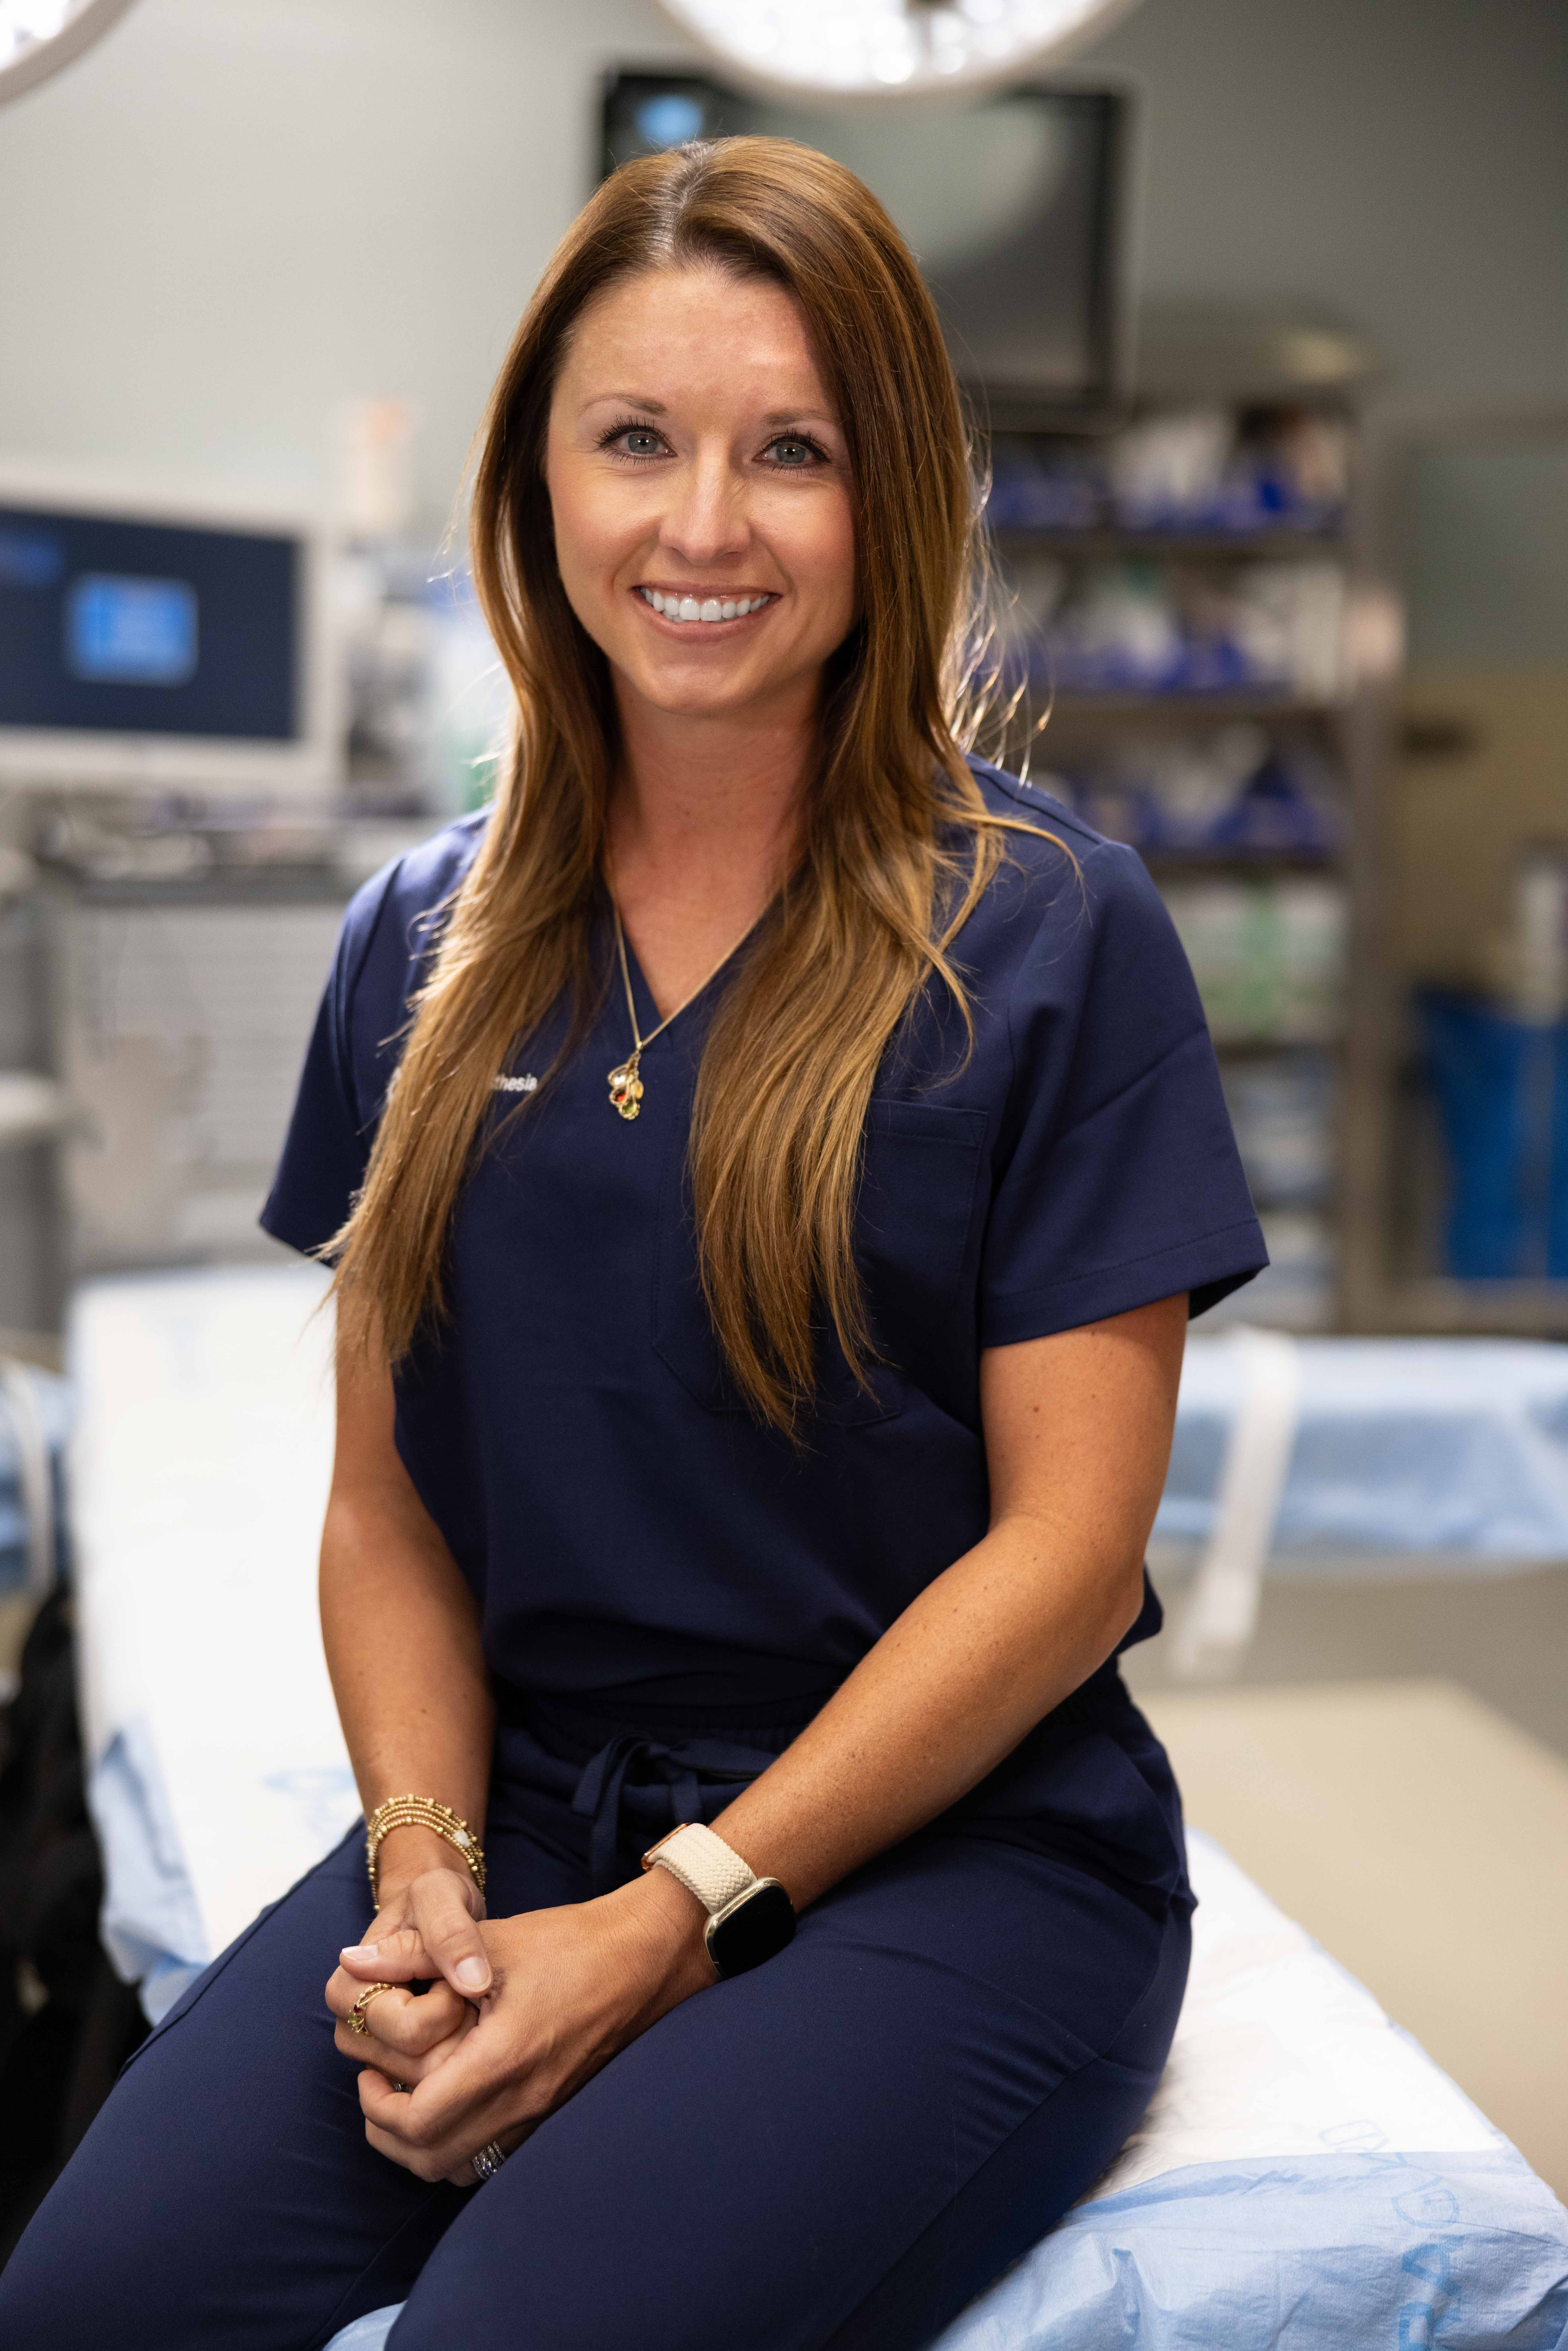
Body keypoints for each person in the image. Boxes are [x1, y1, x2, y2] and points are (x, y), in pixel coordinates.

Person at [0, 138, 1266, 2350]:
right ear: (537, 484)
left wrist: (675, 1918)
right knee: (89, 2300)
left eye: (792, 451)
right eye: (634, 442)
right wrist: (424, 1872)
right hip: (526, 1817)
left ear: (894, 506)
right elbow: (386, 1505)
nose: (702, 525)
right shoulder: (426, 940)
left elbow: (1066, 1555)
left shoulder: (1052, 937)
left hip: (950, 1857)